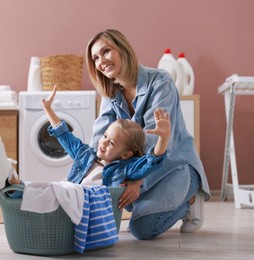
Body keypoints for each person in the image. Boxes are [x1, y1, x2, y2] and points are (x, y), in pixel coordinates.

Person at [85, 29, 211, 239]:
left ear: (122, 49)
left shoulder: (160, 82)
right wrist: (83, 179)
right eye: (95, 58)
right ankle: (149, 198)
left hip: (174, 165)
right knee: (111, 185)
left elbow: (154, 138)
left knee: (142, 229)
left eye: (106, 51)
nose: (101, 61)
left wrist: (136, 181)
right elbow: (99, 138)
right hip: (138, 168)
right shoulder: (111, 93)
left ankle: (190, 200)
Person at [9, 86, 170, 188]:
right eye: (105, 136)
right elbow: (64, 135)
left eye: (112, 142)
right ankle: (17, 185)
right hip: (67, 192)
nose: (104, 142)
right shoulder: (85, 154)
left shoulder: (123, 168)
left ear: (126, 154)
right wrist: (48, 110)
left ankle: (19, 187)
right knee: (45, 188)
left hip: (85, 204)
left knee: (47, 192)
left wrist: (163, 138)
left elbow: (150, 162)